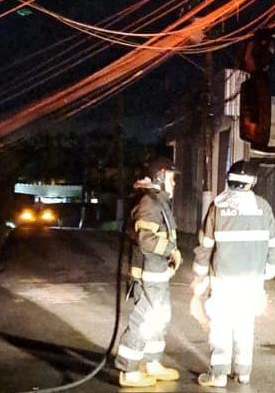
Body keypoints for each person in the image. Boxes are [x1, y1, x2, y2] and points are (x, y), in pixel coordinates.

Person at [192, 159, 275, 388]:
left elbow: (206, 245)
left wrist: (199, 274)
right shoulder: (263, 206)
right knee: (245, 326)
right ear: (252, 182)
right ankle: (243, 373)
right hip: (252, 281)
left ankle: (218, 374)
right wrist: (270, 270)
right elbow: (274, 243)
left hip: (224, 281)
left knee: (221, 327)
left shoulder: (218, 206)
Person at [115, 157, 182, 388]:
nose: (174, 183)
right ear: (161, 177)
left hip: (158, 272)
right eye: (172, 178)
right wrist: (172, 251)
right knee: (144, 321)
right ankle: (129, 370)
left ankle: (151, 363)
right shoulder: (149, 204)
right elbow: (146, 240)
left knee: (159, 317)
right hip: (148, 274)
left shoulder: (158, 201)